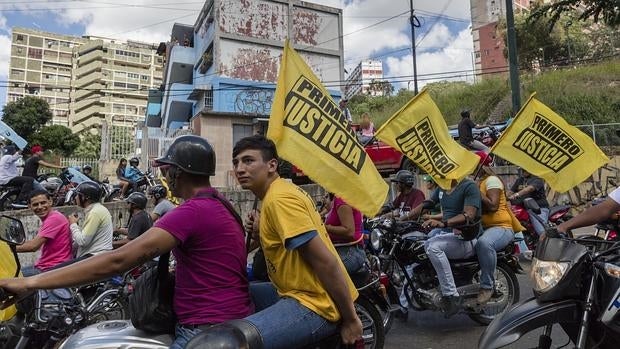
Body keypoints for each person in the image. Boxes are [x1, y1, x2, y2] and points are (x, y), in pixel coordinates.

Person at [0, 135, 252, 349]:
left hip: (204, 327)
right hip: (227, 318)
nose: (164, 176)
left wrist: (30, 283)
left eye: (166, 170)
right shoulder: (221, 204)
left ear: (178, 172)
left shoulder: (191, 211)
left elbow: (117, 261)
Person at [232, 134, 362, 348]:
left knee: (233, 341)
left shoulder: (279, 200)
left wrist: (350, 319)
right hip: (294, 291)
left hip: (314, 302)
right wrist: (258, 233)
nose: (239, 169)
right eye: (236, 162)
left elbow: (325, 262)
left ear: (272, 165)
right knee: (234, 292)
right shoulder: (277, 194)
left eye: (248, 160)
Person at [403, 169, 482, 317]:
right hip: (449, 236)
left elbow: (469, 215)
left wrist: (443, 224)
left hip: (466, 238)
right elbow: (426, 204)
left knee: (433, 247)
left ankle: (451, 294)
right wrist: (403, 219)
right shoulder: (443, 187)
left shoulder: (469, 186)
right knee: (421, 245)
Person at [474, 151, 514, 305]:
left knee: (484, 243)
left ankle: (487, 286)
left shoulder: (492, 181)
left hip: (500, 227)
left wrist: (476, 191)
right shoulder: (477, 182)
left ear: (481, 165)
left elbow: (492, 205)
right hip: (482, 227)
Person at [15, 189, 72, 276]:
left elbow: (33, 246)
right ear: (29, 206)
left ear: (50, 202)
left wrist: (7, 248)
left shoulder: (54, 219)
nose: (40, 207)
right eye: (35, 204)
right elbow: (33, 242)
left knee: (8, 278)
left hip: (52, 268)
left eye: (43, 203)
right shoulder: (52, 217)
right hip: (45, 265)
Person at [67, 181, 114, 260]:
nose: (75, 198)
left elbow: (83, 241)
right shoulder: (97, 209)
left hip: (94, 256)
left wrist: (73, 224)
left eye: (78, 195)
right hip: (97, 255)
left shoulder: (95, 213)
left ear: (85, 197)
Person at [324, 193, 366, 274]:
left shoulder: (341, 199)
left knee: (320, 274)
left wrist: (325, 227)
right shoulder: (339, 198)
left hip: (349, 252)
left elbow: (349, 231)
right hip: (345, 249)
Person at [508, 168, 549, 237]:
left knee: (541, 231)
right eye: (521, 170)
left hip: (538, 209)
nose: (522, 171)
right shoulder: (519, 180)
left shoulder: (537, 180)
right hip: (524, 207)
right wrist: (502, 196)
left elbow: (530, 189)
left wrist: (517, 194)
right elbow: (510, 192)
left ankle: (545, 239)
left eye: (524, 169)